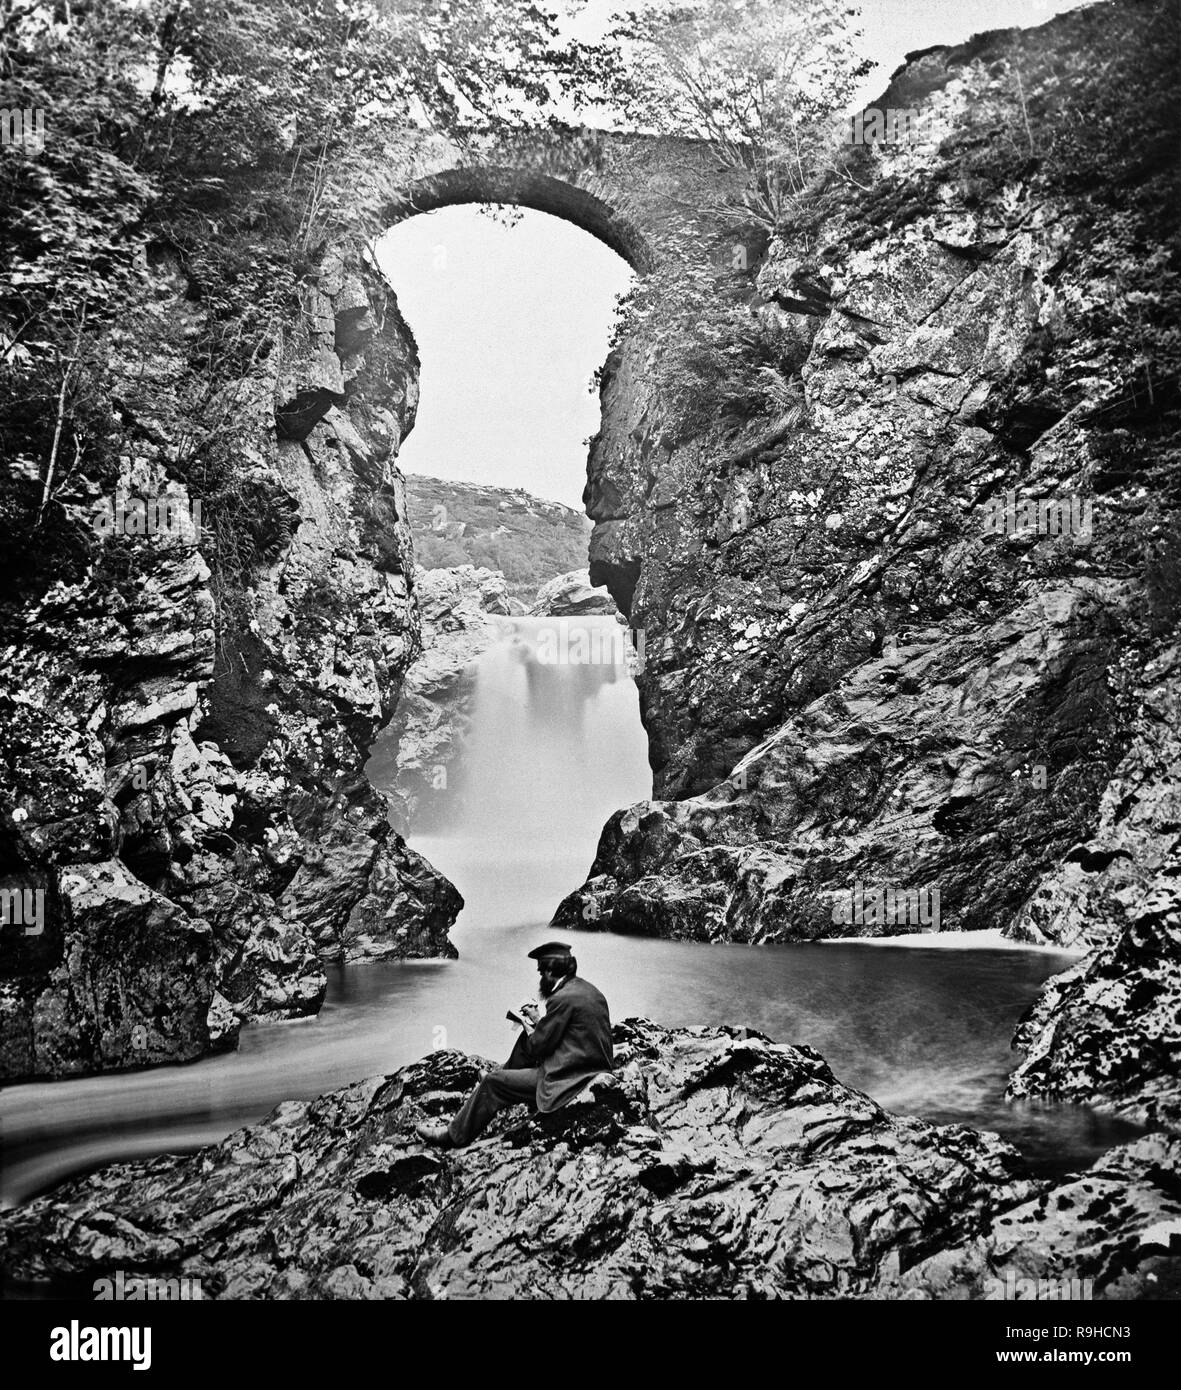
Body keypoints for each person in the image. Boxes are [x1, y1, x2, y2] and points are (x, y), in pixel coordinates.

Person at [416, 941, 613, 1149]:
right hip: (591, 1065)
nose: (540, 978)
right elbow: (567, 1031)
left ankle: (453, 1135)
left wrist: (529, 1025)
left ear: (549, 972)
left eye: (540, 973)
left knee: (493, 1083)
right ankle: (505, 1074)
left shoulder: (561, 998)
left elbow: (539, 1047)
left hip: (568, 1078)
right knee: (525, 1039)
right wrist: (538, 1020)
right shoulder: (588, 990)